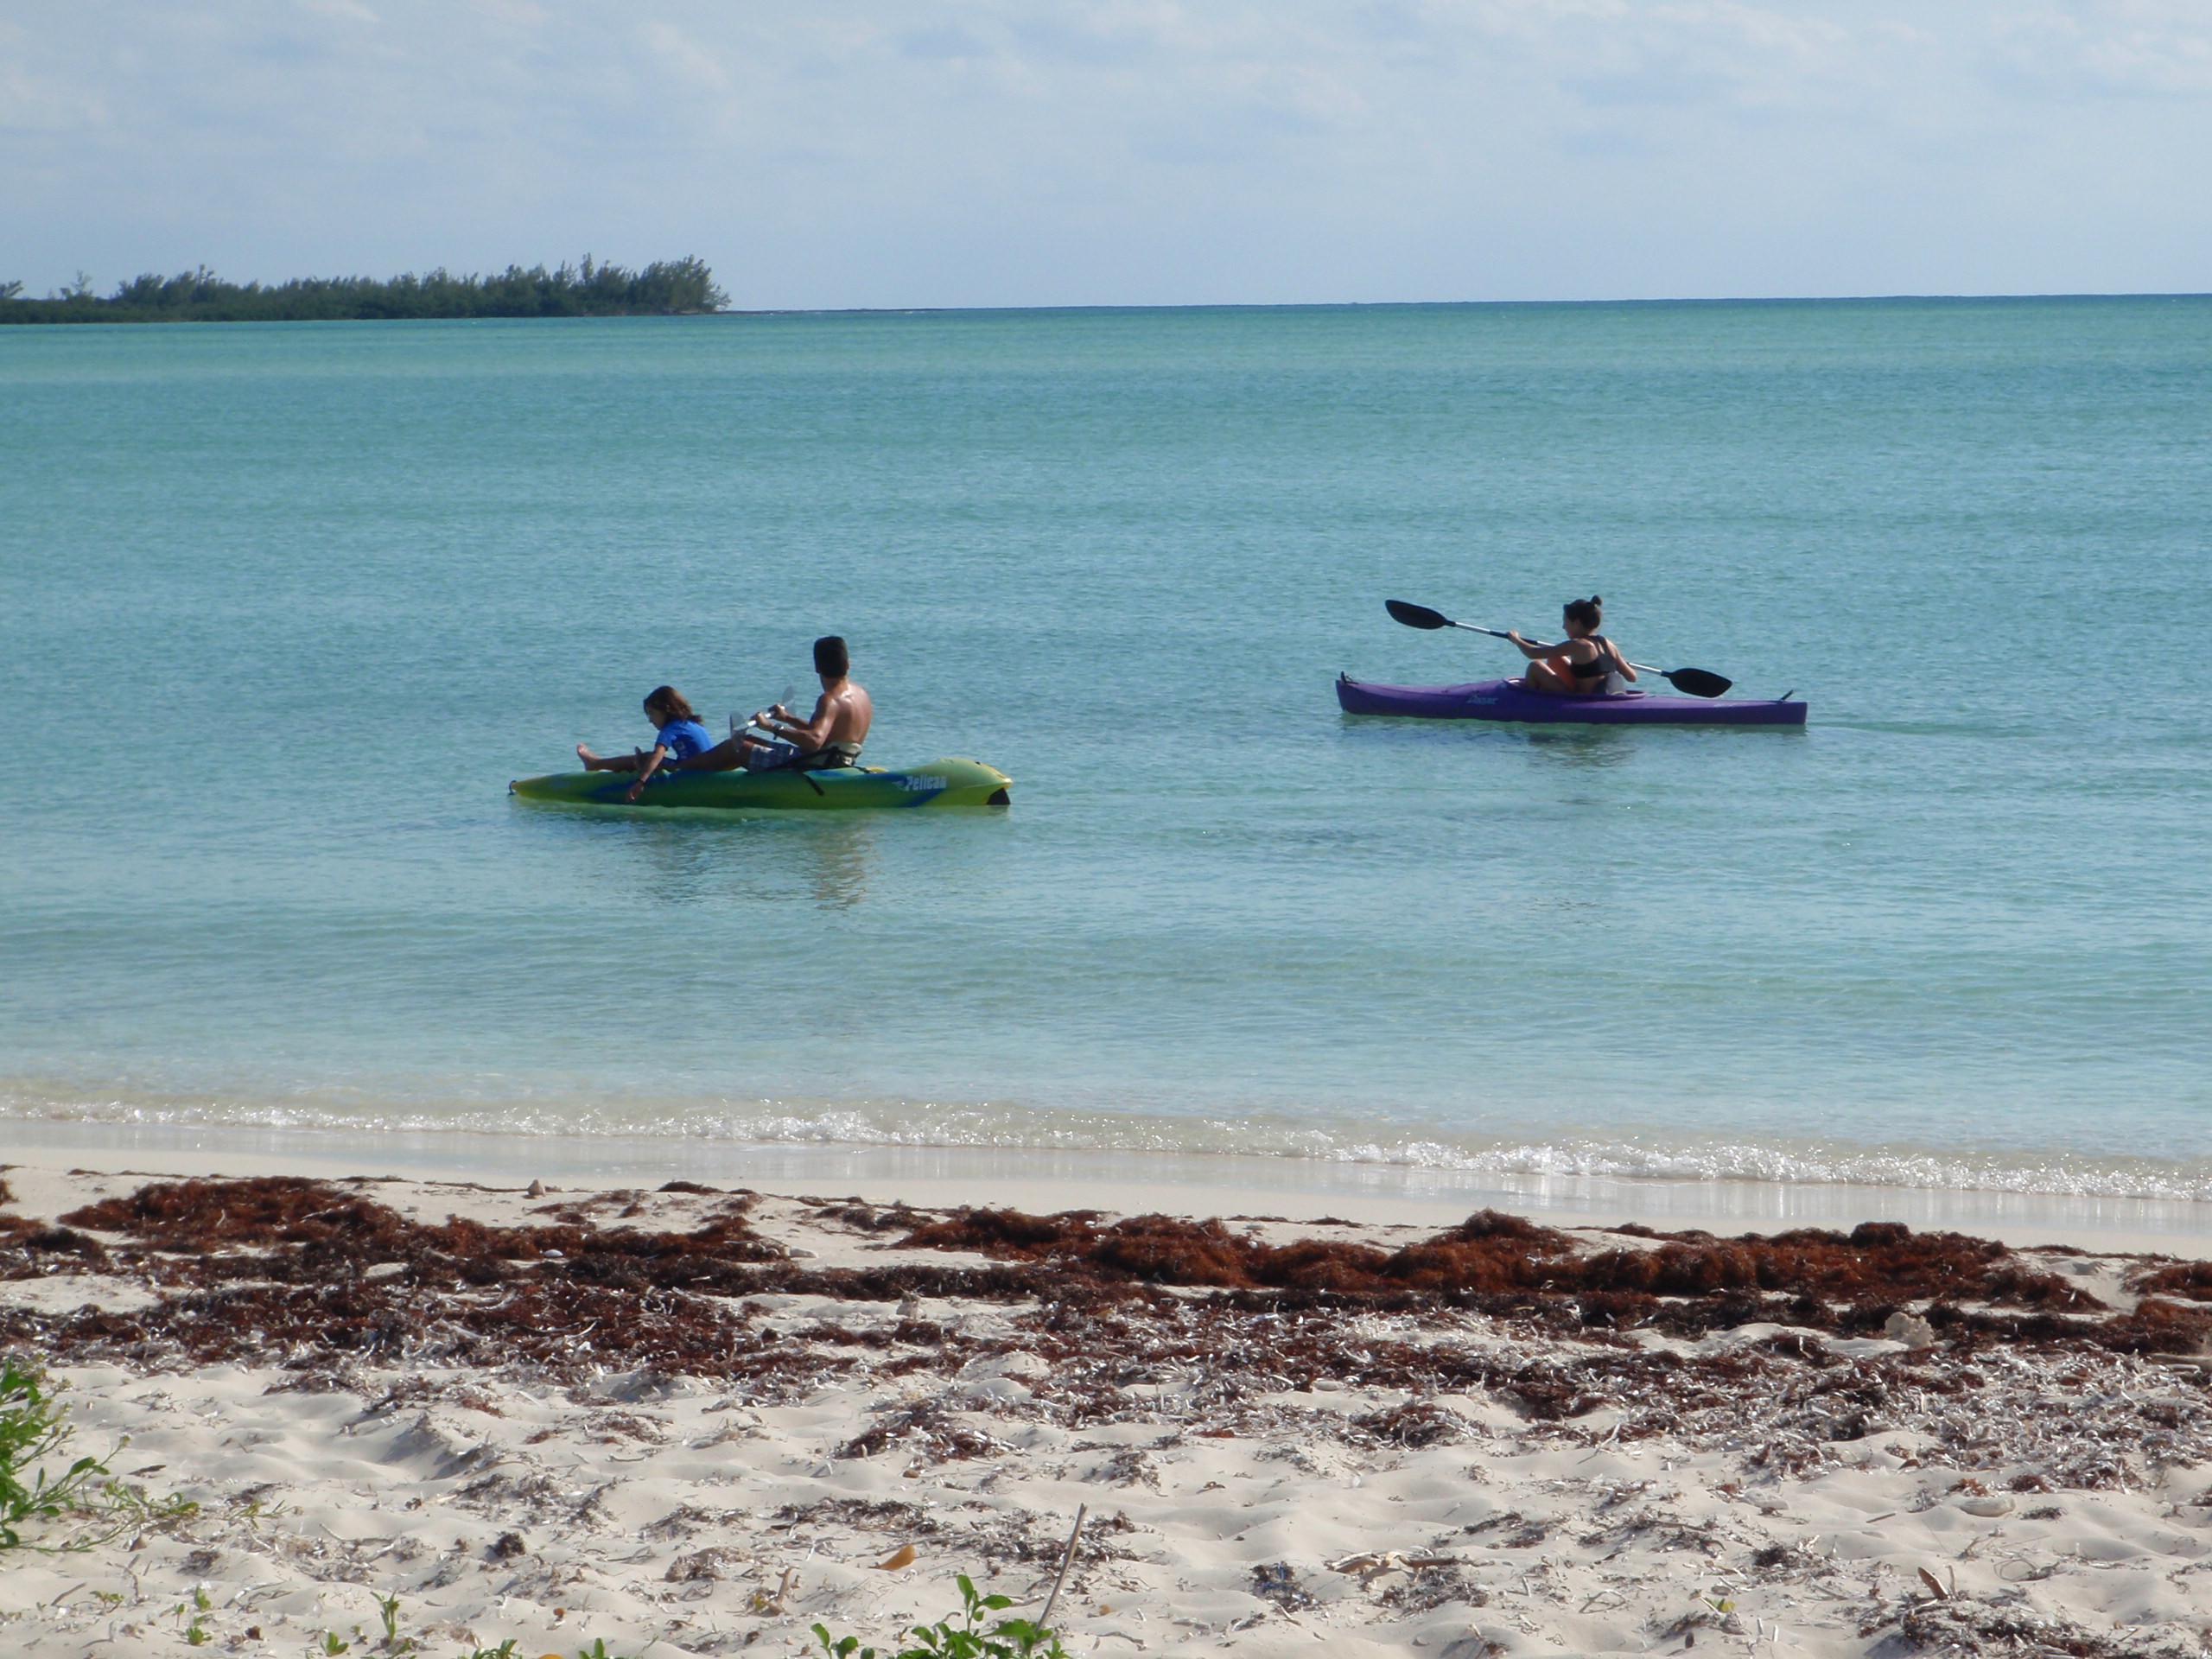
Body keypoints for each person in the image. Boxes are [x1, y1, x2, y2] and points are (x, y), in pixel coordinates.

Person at [685, 635, 874, 773]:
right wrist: (788, 718)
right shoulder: (861, 694)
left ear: (817, 668)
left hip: (815, 765)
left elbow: (815, 741)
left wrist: (771, 727)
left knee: (735, 747)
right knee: (747, 739)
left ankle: (678, 770)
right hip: (839, 762)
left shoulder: (830, 699)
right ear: (848, 664)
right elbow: (828, 735)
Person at [577, 686, 717, 801]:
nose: (650, 720)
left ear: (666, 709)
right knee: (648, 759)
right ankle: (598, 764)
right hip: (706, 769)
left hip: (693, 773)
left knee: (647, 759)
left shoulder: (671, 728)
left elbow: (659, 753)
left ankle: (596, 764)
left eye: (652, 713)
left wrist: (641, 781)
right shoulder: (692, 723)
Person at [1506, 596, 1637, 695]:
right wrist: (1615, 662)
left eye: (1565, 622)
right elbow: (1632, 677)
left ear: (1577, 623)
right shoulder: (1609, 644)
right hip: (1601, 695)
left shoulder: (1579, 645)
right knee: (1555, 657)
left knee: (1535, 666)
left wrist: (1517, 639)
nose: (1563, 627)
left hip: (1582, 700)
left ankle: (1530, 701)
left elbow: (1533, 654)